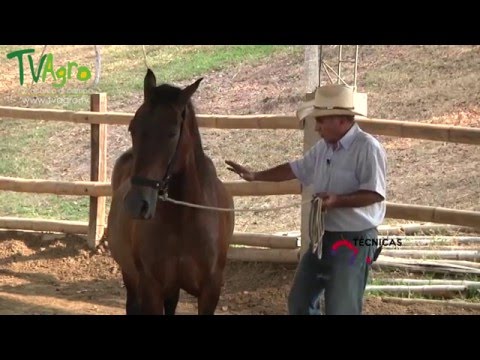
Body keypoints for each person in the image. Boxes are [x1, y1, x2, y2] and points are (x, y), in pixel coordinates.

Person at [225, 84, 387, 315]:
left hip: (356, 239)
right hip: (324, 237)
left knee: (341, 309)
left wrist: (337, 201)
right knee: (299, 302)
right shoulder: (323, 148)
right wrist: (255, 176)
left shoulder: (368, 148)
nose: (317, 127)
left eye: (320, 121)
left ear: (340, 120)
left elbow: (375, 194)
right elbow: (295, 169)